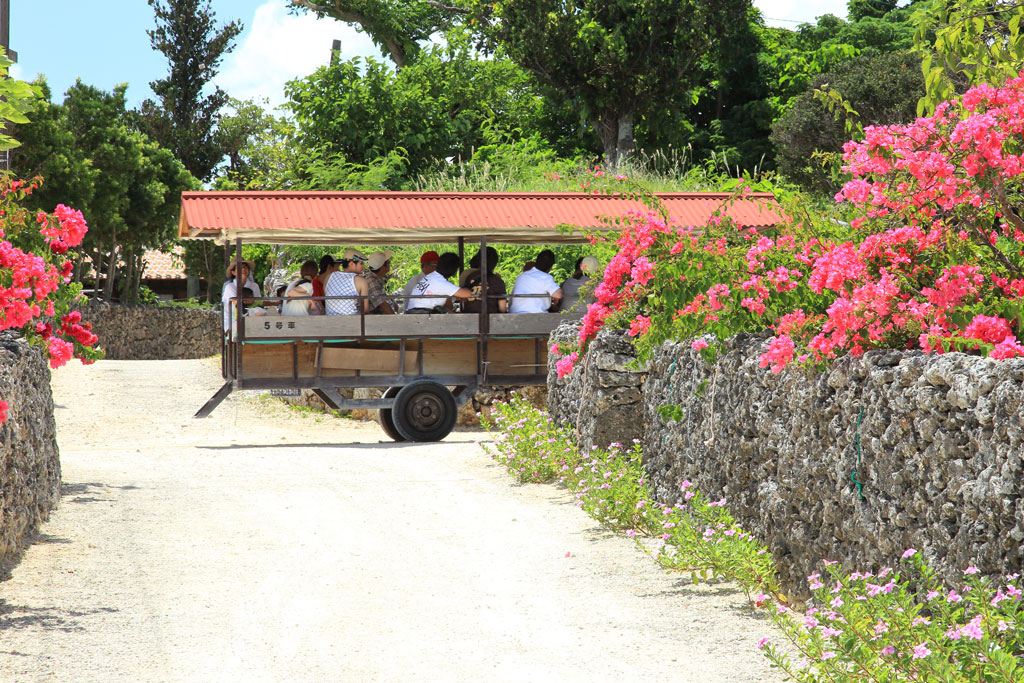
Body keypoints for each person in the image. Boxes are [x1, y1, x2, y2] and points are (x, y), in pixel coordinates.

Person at [406, 252, 472, 314]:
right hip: (423, 314)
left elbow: (446, 307)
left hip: (413, 312)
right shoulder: (440, 282)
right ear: (454, 271)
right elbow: (467, 293)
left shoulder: (431, 276)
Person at [509, 249, 562, 313]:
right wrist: (555, 302)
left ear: (536, 261)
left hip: (515, 314)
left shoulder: (521, 276)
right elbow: (558, 295)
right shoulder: (545, 277)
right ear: (551, 267)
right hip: (535, 316)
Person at [460, 246, 507, 314]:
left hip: (469, 316)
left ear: (478, 259)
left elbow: (463, 300)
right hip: (491, 318)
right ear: (495, 263)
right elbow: (502, 308)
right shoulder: (497, 281)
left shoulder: (469, 276)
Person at [324, 248, 371, 315]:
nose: (363, 266)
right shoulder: (361, 281)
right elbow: (365, 310)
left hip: (330, 321)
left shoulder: (328, 277)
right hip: (351, 322)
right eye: (361, 263)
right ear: (351, 263)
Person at [222, 259, 261, 329]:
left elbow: (258, 302)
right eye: (240, 267)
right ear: (234, 272)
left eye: (245, 267)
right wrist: (247, 312)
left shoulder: (254, 286)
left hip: (253, 320)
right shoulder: (230, 287)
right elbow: (237, 304)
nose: (243, 269)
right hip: (232, 321)